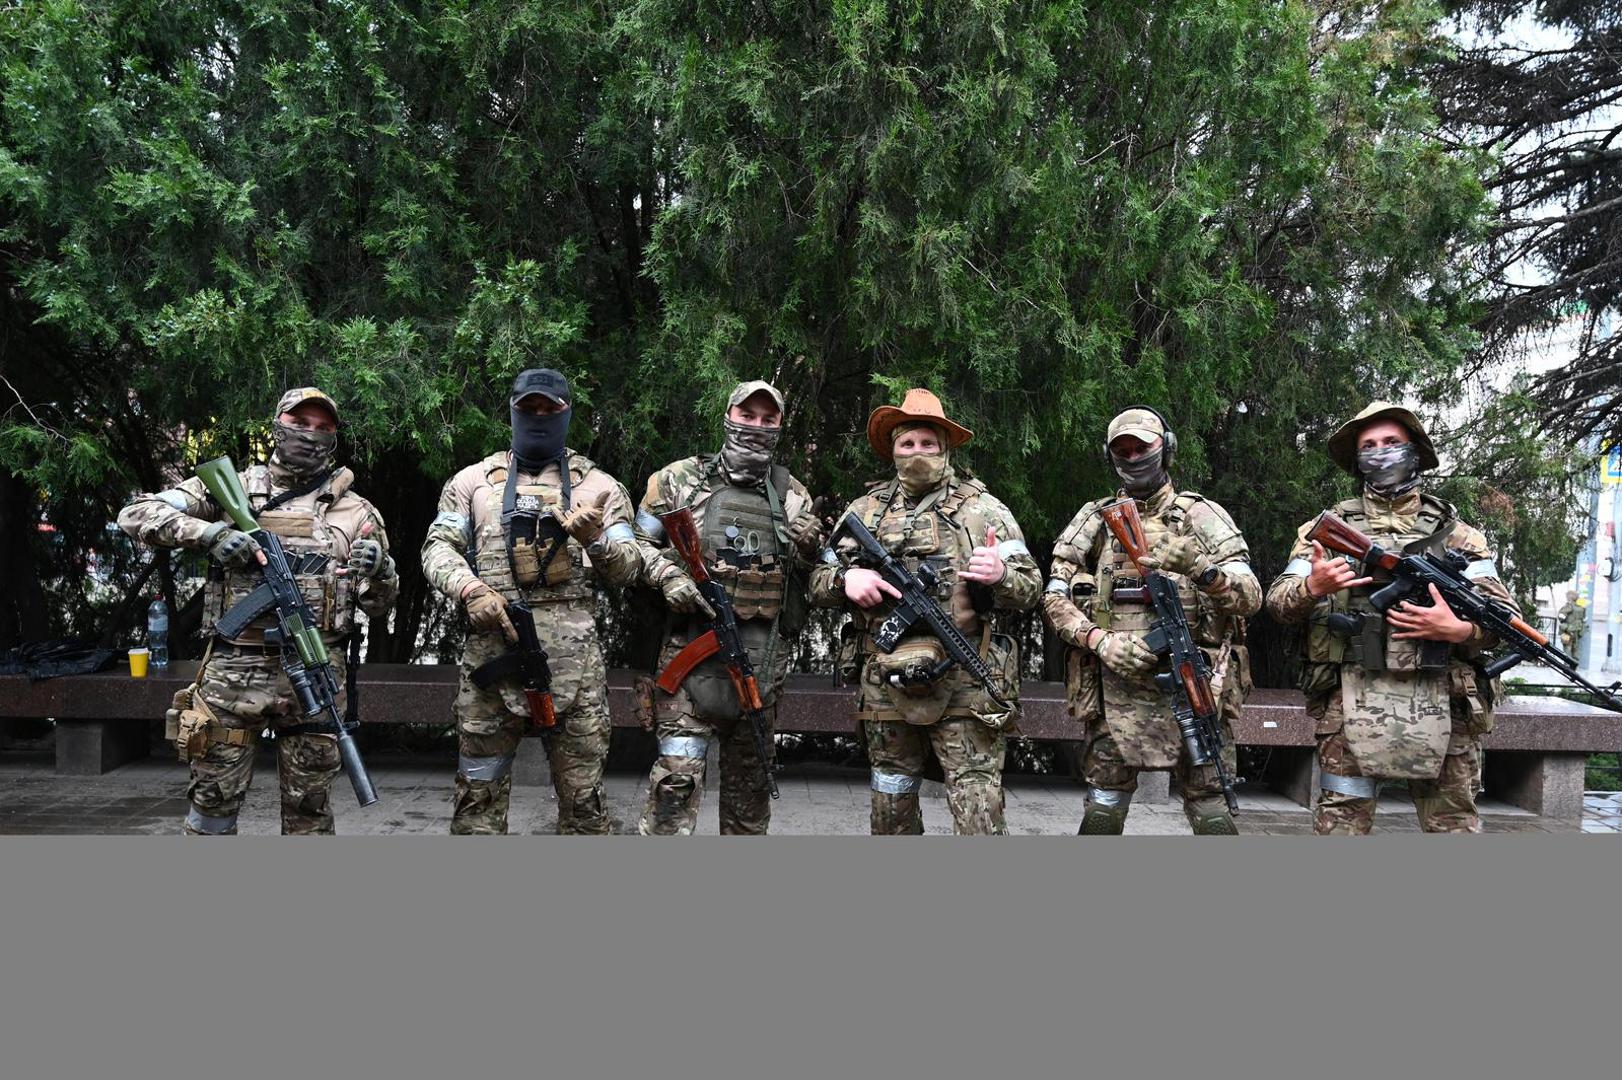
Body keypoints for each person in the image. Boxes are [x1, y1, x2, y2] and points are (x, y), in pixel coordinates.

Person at [118, 388, 398, 835]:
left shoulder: (357, 511)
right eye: (299, 423)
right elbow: (135, 513)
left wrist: (382, 570)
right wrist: (207, 533)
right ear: (277, 425)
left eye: (322, 427)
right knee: (213, 803)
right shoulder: (227, 489)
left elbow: (378, 606)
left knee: (310, 812)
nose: (310, 433)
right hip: (232, 674)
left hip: (316, 674)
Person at [1265, 401, 1518, 834]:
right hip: (1349, 704)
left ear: (1414, 451)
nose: (1380, 453)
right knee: (1340, 828)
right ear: (1357, 460)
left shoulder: (1459, 535)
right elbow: (1277, 604)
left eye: (1391, 443)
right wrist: (1314, 587)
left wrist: (1459, 629)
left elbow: (1505, 621)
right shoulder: (1325, 531)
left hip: (1445, 705)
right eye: (1369, 446)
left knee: (1453, 829)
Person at [809, 388, 1039, 834]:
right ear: (892, 450)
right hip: (885, 681)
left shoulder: (985, 511)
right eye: (907, 443)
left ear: (945, 447)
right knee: (891, 804)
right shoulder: (864, 512)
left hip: (966, 684)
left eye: (927, 443)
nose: (917, 452)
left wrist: (1000, 576)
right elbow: (818, 583)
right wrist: (845, 581)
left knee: (979, 813)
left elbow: (1030, 589)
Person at [421, 369, 640, 834]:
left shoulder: (600, 487)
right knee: (477, 802)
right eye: (529, 409)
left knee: (584, 808)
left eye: (550, 410)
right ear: (514, 412)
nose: (539, 417)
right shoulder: (471, 482)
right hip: (490, 666)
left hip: (575, 675)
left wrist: (596, 538)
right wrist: (469, 588)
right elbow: (437, 547)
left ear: (567, 414)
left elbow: (629, 569)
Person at [1043, 407, 1261, 834]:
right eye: (1122, 450)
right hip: (1113, 692)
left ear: (1167, 449)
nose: (1133, 456)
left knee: (1210, 806)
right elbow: (1054, 597)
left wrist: (1202, 568)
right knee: (1103, 806)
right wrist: (1098, 640)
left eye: (1142, 447)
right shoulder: (1095, 519)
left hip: (1193, 688)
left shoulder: (1202, 517)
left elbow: (1251, 598)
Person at [634, 380, 825, 834]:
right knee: (673, 791)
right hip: (687, 665)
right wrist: (670, 576)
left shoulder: (792, 495)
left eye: (768, 419)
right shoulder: (675, 480)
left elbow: (820, 582)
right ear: (728, 416)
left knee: (748, 806)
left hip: (759, 675)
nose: (756, 426)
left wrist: (809, 553)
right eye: (747, 416)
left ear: (779, 426)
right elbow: (634, 544)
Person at [1558, 589, 1585, 659]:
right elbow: (1583, 619)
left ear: (1569, 597)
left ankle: (1567, 666)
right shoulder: (1581, 607)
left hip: (1567, 631)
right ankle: (1573, 666)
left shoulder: (1568, 607)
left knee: (1567, 649)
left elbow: (1561, 617)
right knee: (1575, 650)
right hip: (1577, 632)